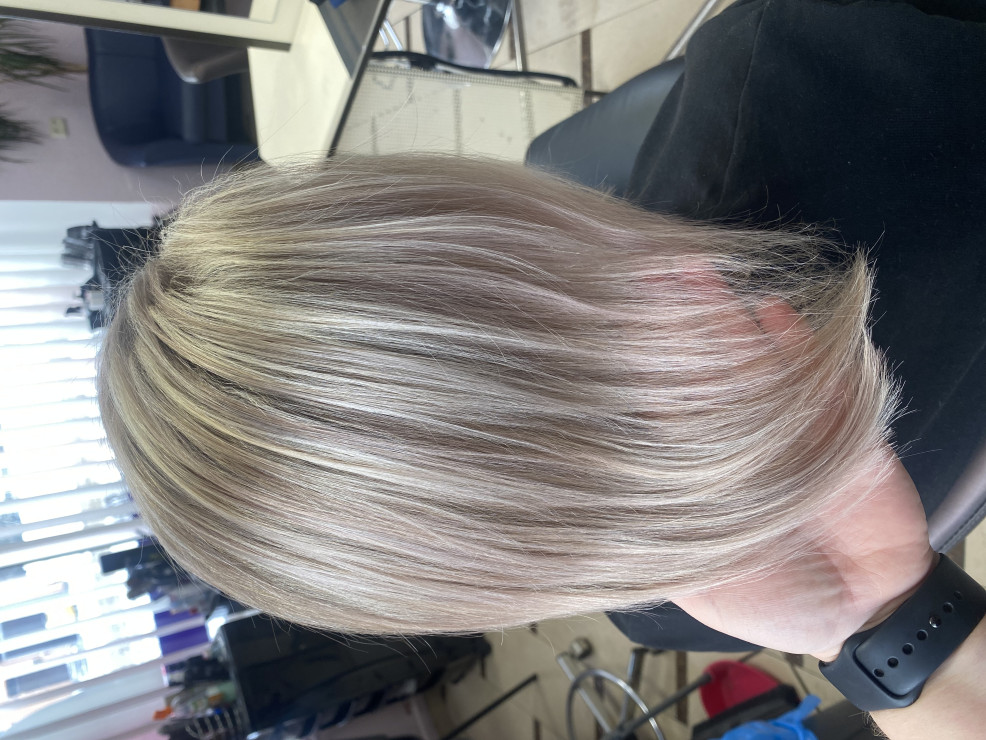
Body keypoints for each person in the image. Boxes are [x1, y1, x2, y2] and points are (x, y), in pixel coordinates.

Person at [96, 0, 986, 737]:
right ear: (456, 210)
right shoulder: (792, 57)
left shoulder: (692, 613)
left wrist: (883, 615)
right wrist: (875, 606)